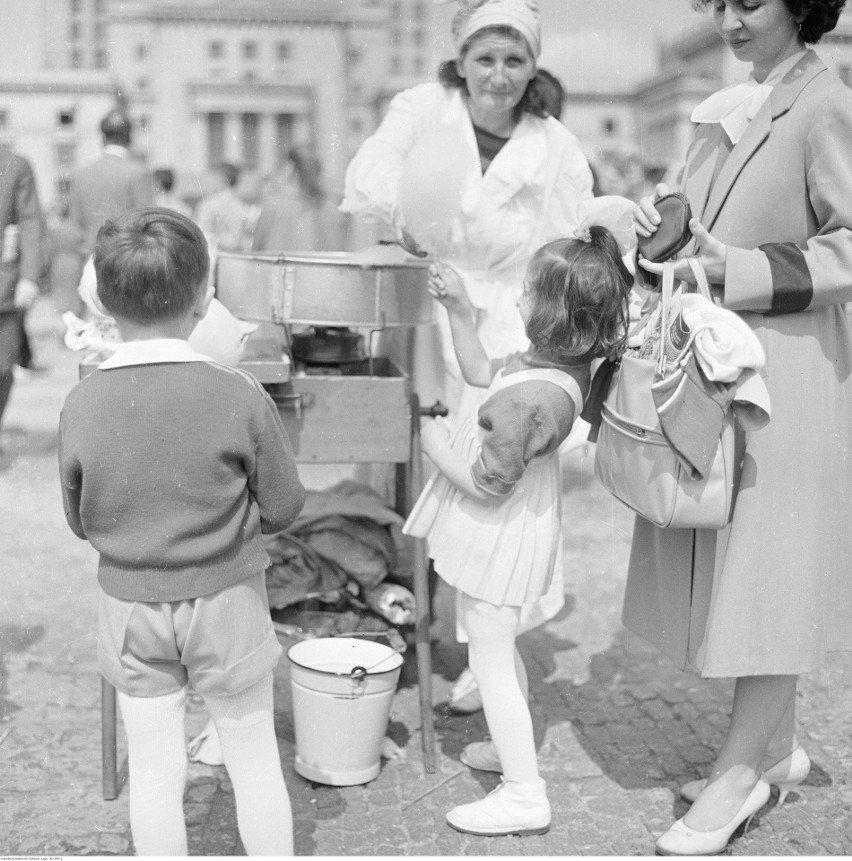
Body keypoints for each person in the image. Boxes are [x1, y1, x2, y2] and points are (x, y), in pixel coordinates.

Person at [628, 0, 852, 855]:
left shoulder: (826, 104)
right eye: (717, 2)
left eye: (748, 1)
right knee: (753, 564)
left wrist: (741, 269)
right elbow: (708, 233)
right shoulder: (737, 107)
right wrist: (665, 231)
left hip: (793, 377)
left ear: (801, 6)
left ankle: (735, 776)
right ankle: (780, 748)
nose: (728, 18)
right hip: (730, 367)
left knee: (770, 576)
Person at [341, 0, 594, 714]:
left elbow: (571, 237)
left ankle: (493, 644)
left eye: (515, 61)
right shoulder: (425, 107)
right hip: (431, 311)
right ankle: (403, 616)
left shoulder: (554, 144)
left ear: (533, 68)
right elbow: (370, 176)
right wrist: (410, 221)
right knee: (423, 467)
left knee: (502, 482)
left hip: (508, 325)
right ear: (461, 61)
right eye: (485, 58)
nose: (499, 75)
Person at [58, 207, 304, 856]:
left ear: (106, 306)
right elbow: (284, 504)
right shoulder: (238, 391)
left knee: (156, 771)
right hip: (227, 597)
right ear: (203, 297)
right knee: (253, 759)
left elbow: (79, 517)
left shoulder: (81, 402)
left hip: (131, 603)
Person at [406, 224, 632, 836]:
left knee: (492, 657)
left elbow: (485, 482)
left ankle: (523, 791)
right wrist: (457, 306)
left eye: (528, 291)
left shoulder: (534, 397)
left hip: (497, 529)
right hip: (507, 529)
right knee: (498, 648)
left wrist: (431, 443)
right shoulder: (554, 368)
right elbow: (479, 369)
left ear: (556, 315)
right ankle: (514, 749)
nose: (517, 299)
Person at [0, 148, 44, 470]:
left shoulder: (15, 165)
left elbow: (30, 220)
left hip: (4, 285)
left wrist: (29, 275)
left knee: (3, 365)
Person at [69, 109, 154, 261]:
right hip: (126, 263)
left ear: (103, 138)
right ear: (129, 137)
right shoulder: (139, 172)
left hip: (92, 262)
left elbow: (76, 222)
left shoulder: (81, 173)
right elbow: (148, 223)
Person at [252, 146, 345, 253]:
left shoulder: (273, 205)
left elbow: (256, 249)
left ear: (290, 168)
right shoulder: (330, 207)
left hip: (277, 268)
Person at [196, 162, 253, 252]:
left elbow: (201, 233)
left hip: (216, 256)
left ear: (222, 179)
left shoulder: (209, 204)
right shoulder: (242, 206)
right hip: (237, 256)